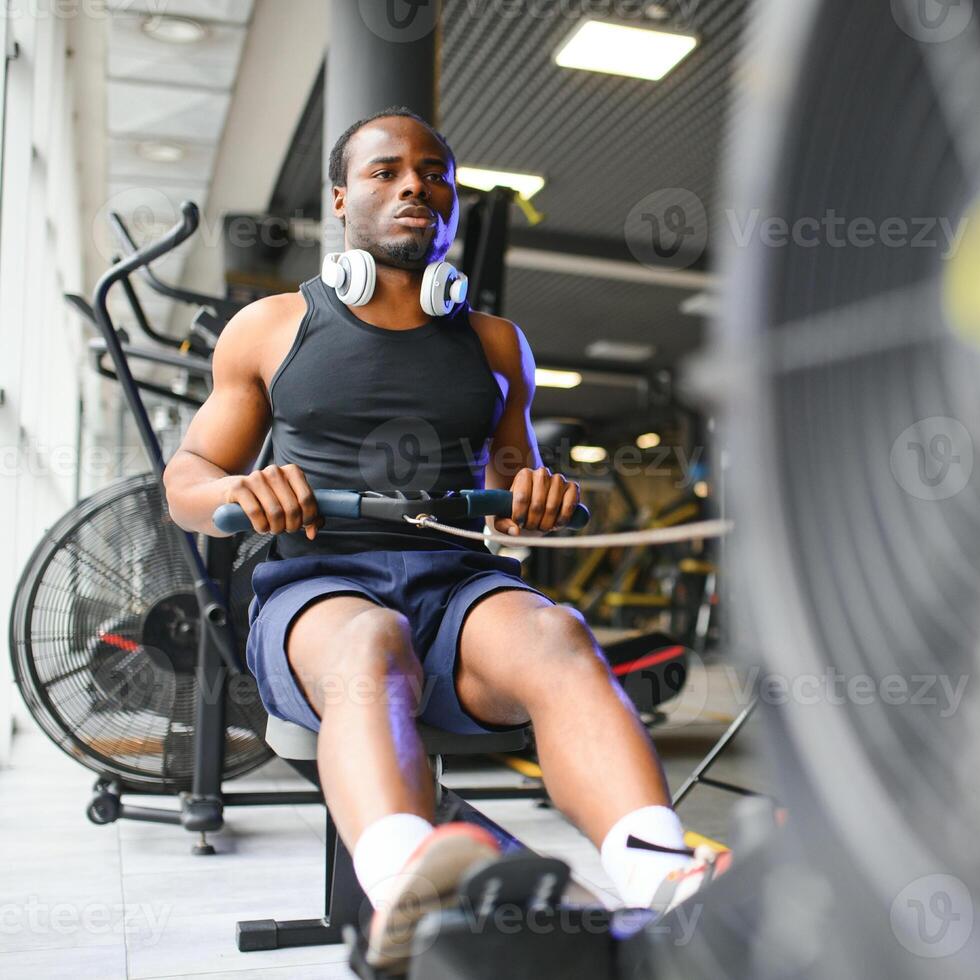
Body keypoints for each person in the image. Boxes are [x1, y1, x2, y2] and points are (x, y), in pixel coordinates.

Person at [162, 107, 725, 972]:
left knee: (557, 634)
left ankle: (659, 874)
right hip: (316, 586)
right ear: (343, 198)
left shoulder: (496, 343)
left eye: (434, 173)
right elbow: (188, 480)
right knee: (369, 641)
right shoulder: (272, 327)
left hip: (456, 591)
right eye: (385, 172)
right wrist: (243, 489)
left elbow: (514, 487)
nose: (414, 185)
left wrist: (534, 496)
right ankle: (405, 894)